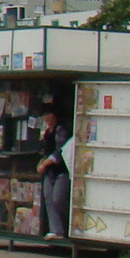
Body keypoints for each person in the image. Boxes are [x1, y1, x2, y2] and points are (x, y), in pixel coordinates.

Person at [37, 101, 73, 239]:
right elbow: (45, 151)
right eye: (44, 116)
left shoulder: (61, 130)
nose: (46, 119)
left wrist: (45, 163)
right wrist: (41, 162)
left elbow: (60, 152)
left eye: (48, 115)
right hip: (49, 172)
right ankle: (56, 230)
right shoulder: (47, 132)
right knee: (49, 199)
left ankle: (66, 227)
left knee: (58, 199)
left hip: (62, 170)